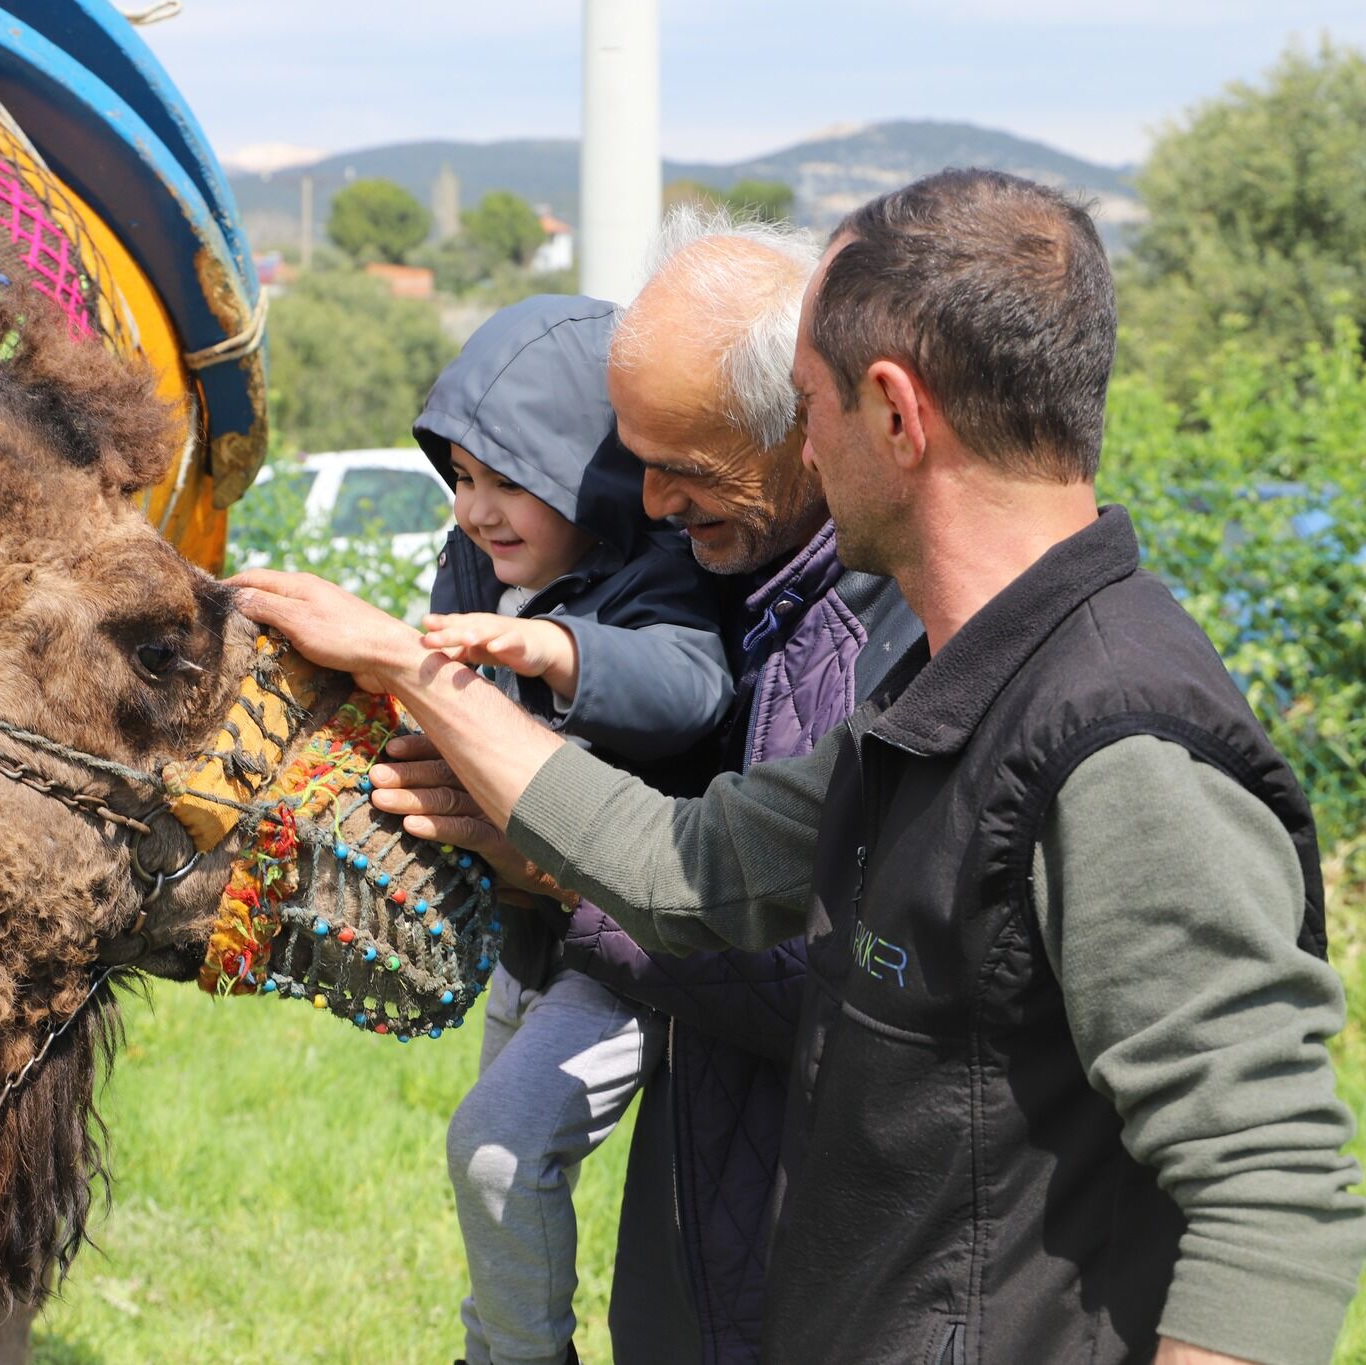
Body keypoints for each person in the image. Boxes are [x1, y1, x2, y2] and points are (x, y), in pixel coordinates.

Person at [235, 169, 1366, 1365]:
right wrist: (415, 672)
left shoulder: (1115, 740)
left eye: (806, 402)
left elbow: (1271, 1191)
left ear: (891, 413)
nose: (802, 447)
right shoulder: (952, 689)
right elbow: (687, 866)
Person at [560, 205, 921, 1364]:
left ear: (802, 427)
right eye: (640, 465)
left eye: (687, 469)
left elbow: (812, 988)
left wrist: (553, 875)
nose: (655, 505)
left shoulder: (891, 641)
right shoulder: (748, 595)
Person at [407, 293, 733, 1365]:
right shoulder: (479, 571)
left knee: (500, 1145)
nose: (475, 510)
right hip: (527, 940)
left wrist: (557, 652)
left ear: (588, 476)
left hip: (625, 945)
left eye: (508, 481)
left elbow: (688, 688)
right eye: (459, 479)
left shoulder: (662, 576)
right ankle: (494, 1340)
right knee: (494, 1164)